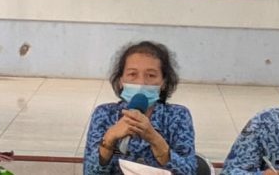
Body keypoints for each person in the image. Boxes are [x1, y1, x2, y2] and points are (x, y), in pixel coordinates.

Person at [83, 41, 196, 175]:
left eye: (151, 75)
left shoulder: (178, 116)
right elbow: (90, 172)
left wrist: (155, 139)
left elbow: (189, 171)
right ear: (121, 81)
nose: (141, 82)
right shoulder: (104, 114)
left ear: (164, 82)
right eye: (132, 74)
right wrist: (109, 139)